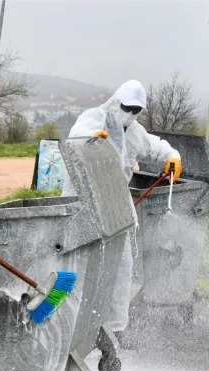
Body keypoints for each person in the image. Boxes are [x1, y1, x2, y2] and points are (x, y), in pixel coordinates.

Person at [61, 79, 183, 333]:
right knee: (77, 266)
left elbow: (156, 147)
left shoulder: (136, 133)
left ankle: (110, 328)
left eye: (136, 110)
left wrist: (173, 157)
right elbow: (75, 137)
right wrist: (91, 139)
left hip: (115, 208)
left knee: (120, 267)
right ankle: (67, 320)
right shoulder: (95, 118)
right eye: (127, 107)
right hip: (82, 204)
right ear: (116, 101)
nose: (130, 114)